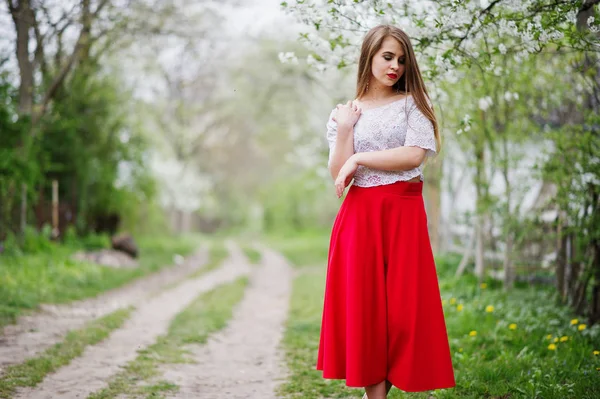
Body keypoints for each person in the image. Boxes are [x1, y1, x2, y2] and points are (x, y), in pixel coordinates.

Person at [316, 25, 456, 399]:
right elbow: (338, 173)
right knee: (366, 311)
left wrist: (360, 157)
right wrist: (346, 132)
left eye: (401, 59)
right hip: (359, 215)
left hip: (403, 213)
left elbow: (413, 155)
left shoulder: (414, 103)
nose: (395, 65)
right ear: (370, 57)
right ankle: (374, 397)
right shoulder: (345, 113)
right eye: (387, 57)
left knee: (404, 311)